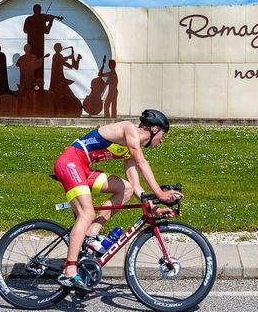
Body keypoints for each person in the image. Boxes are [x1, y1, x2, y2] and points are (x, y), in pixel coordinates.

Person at [53, 109, 181, 290]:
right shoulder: (129, 129)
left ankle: (90, 234)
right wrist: (160, 193)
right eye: (162, 134)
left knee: (126, 188)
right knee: (87, 212)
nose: (162, 139)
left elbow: (136, 186)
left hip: (83, 169)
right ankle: (69, 271)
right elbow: (142, 162)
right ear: (154, 129)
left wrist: (153, 208)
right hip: (70, 163)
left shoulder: (129, 149)